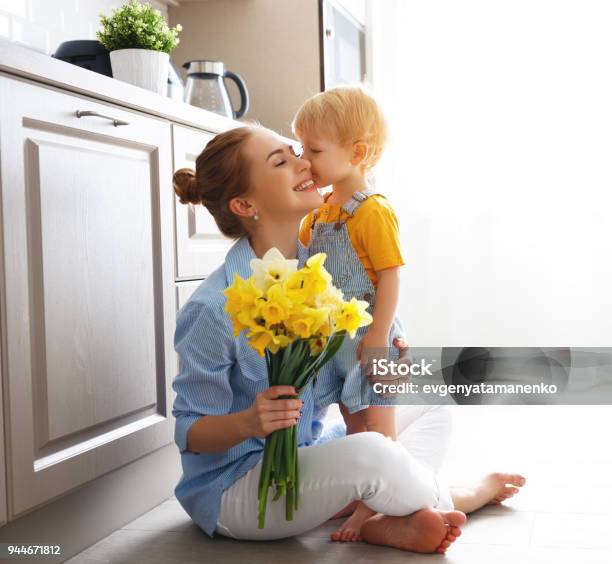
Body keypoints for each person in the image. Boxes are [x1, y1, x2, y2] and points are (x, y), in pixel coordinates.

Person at [171, 123, 526, 553]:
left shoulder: (324, 274)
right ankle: (460, 496)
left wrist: (382, 372)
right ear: (245, 204)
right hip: (239, 489)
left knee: (430, 404)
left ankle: (379, 517)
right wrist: (249, 422)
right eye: (281, 161)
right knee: (372, 454)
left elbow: (343, 380)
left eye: (295, 151)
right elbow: (190, 431)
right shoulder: (212, 307)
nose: (305, 163)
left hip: (307, 452)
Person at [293, 86, 405, 540]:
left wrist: (378, 338)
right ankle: (363, 498)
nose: (305, 160)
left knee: (377, 428)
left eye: (314, 151)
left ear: (356, 153)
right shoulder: (320, 213)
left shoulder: (371, 212)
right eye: (301, 149)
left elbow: (391, 276)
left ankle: (385, 504)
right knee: (354, 423)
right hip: (334, 342)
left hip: (368, 337)